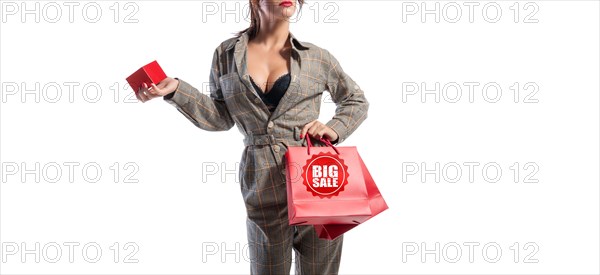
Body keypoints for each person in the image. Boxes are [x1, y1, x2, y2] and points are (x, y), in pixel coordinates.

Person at [135, 0, 369, 273]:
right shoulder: (227, 54)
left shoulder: (317, 57)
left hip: (316, 175)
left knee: (321, 269)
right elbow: (220, 117)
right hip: (260, 178)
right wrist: (177, 91)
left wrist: (335, 127)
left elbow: (355, 100)